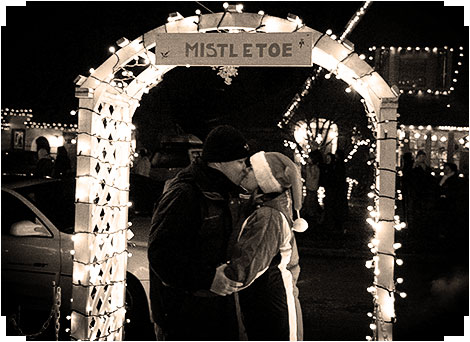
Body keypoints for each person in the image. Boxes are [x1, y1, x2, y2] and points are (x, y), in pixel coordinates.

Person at [147, 125, 250, 340]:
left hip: (216, 310)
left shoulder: (225, 192)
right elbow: (161, 255)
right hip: (187, 316)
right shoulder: (185, 194)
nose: (245, 168)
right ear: (219, 162)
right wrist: (208, 278)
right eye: (240, 162)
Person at [212, 151, 308, 341]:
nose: (245, 171)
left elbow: (246, 266)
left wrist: (213, 278)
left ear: (265, 180)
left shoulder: (268, 216)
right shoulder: (262, 209)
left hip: (271, 310)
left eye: (252, 169)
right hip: (264, 305)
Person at [302, 149, 323, 224]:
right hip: (310, 187)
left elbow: (312, 177)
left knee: (310, 201)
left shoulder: (314, 168)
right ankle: (311, 214)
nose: (308, 159)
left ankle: (311, 215)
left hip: (312, 187)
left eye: (309, 158)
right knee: (310, 201)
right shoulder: (311, 167)